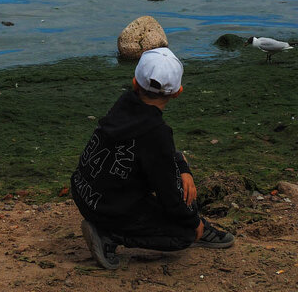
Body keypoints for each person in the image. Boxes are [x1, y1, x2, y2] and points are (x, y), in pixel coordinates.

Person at [70, 47, 234, 269]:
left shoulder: (125, 103)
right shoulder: (157, 132)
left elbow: (157, 152)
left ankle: (111, 225)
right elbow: (168, 194)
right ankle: (109, 235)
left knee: (177, 162)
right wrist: (193, 222)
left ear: (135, 82)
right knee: (184, 235)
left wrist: (182, 168)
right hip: (109, 208)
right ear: (178, 92)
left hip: (84, 192)